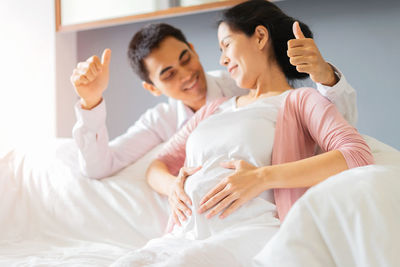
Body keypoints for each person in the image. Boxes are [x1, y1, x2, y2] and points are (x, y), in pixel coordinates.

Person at [111, 1, 373, 266]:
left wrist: (261, 177)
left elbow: (357, 154)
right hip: (183, 235)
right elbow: (158, 165)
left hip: (249, 233)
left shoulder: (299, 101)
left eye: (226, 44)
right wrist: (173, 188)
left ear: (259, 37)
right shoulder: (213, 108)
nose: (222, 59)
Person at [71, 21, 357, 180]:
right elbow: (99, 166)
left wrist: (324, 75)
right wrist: (92, 101)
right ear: (152, 88)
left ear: (193, 49)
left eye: (186, 59)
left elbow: (333, 126)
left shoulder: (243, 84)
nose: (187, 75)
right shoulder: (161, 121)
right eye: (169, 74)